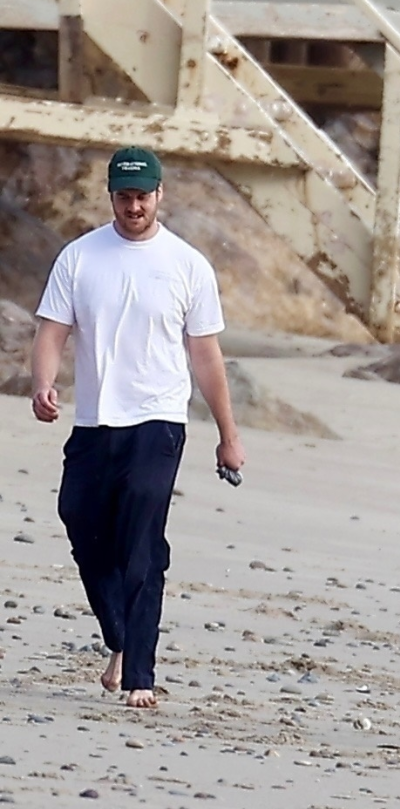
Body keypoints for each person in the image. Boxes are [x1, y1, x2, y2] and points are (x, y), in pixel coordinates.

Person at [31, 146, 245, 709]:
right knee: (79, 520)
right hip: (95, 420)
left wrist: (228, 436)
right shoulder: (79, 257)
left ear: (159, 195)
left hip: (159, 420)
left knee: (142, 539)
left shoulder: (187, 265)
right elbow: (52, 331)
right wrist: (43, 383)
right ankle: (120, 639)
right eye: (124, 197)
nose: (133, 207)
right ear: (111, 196)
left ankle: (140, 677)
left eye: (142, 197)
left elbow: (206, 356)